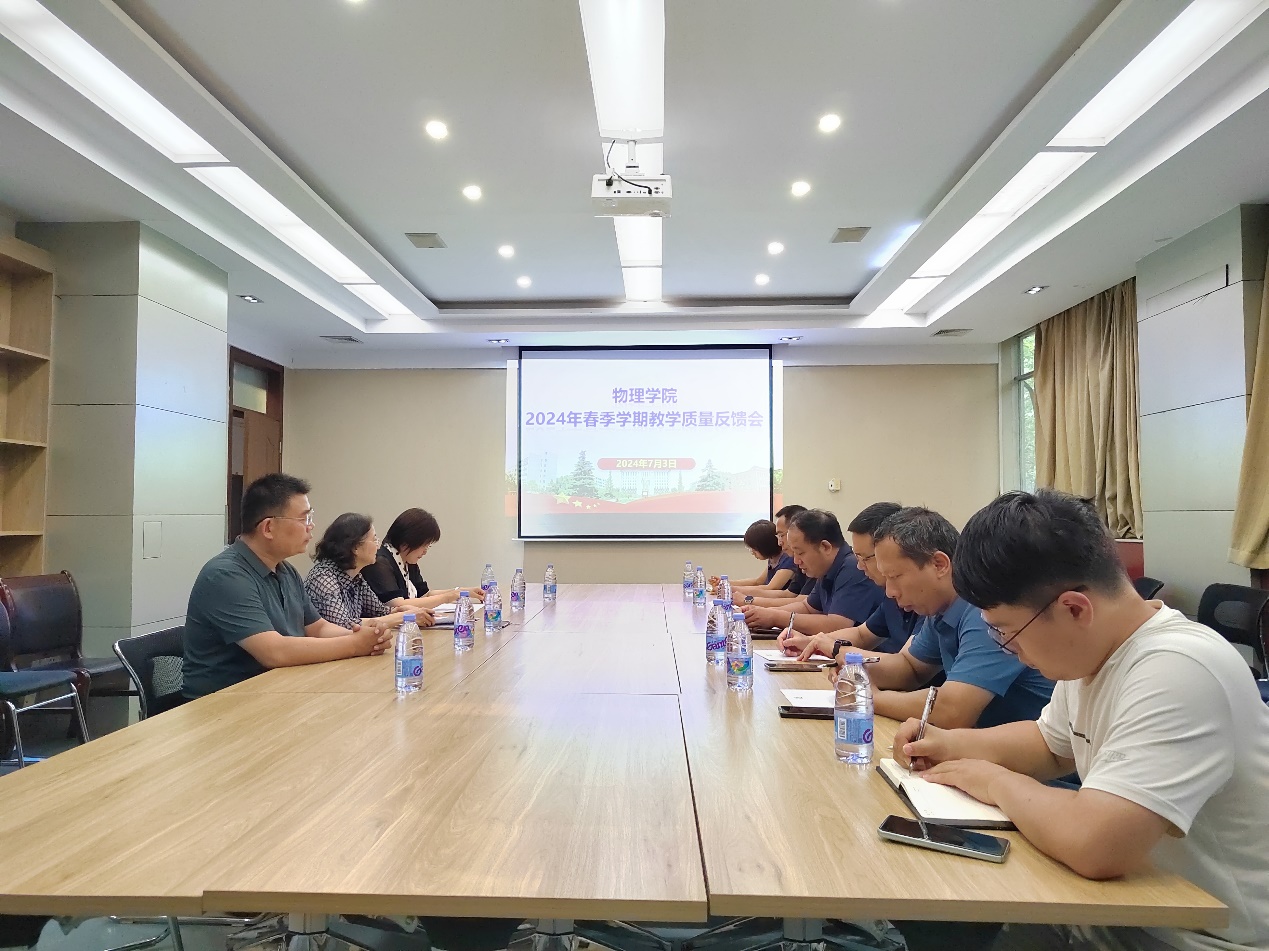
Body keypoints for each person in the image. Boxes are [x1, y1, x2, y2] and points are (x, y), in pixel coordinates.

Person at [895, 490, 1269, 951]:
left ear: (1074, 608)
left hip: (1193, 936)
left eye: (1007, 632)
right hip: (1115, 911)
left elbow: (1095, 844)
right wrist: (948, 744)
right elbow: (1050, 744)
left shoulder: (1178, 668)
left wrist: (993, 781)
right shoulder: (1095, 652)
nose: (1010, 649)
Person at [182, 474, 393, 699]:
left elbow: (318, 628)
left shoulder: (285, 571)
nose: (311, 526)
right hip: (224, 702)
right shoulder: (225, 575)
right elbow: (274, 652)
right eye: (304, 519)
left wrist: (366, 637)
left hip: (278, 689)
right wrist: (354, 645)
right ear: (268, 527)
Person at [851, 506, 1053, 727]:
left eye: (895, 576)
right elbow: (911, 668)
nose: (890, 592)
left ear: (939, 564)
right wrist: (853, 671)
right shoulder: (940, 607)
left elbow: (953, 711)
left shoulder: (985, 610)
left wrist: (870, 698)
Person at [780, 501, 916, 657]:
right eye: (858, 557)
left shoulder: (928, 604)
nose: (860, 566)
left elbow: (906, 664)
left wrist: (837, 650)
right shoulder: (891, 597)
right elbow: (862, 634)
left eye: (865, 558)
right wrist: (811, 642)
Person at [739, 508, 884, 636]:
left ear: (825, 547)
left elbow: (837, 624)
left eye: (800, 553)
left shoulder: (853, 568)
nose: (796, 561)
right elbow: (807, 607)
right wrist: (764, 613)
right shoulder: (826, 568)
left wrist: (776, 617)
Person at [305, 513, 434, 630]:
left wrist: (399, 611)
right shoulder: (323, 578)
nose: (378, 546)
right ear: (355, 547)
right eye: (374, 539)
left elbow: (379, 611)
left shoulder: (356, 577)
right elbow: (343, 625)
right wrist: (404, 617)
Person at [362, 507, 483, 611]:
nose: (425, 551)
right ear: (408, 541)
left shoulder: (407, 561)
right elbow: (398, 605)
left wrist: (460, 591)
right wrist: (448, 597)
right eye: (424, 545)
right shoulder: (380, 562)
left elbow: (425, 594)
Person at [734, 504, 815, 605]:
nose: (779, 543)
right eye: (778, 536)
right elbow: (788, 595)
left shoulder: (791, 559)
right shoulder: (795, 560)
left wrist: (747, 600)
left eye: (781, 535)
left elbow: (802, 604)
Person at [727, 519, 795, 591]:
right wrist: (727, 583)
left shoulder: (788, 559)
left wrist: (732, 589)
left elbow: (771, 588)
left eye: (754, 549)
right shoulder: (773, 558)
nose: (753, 553)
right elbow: (758, 581)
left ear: (765, 546)